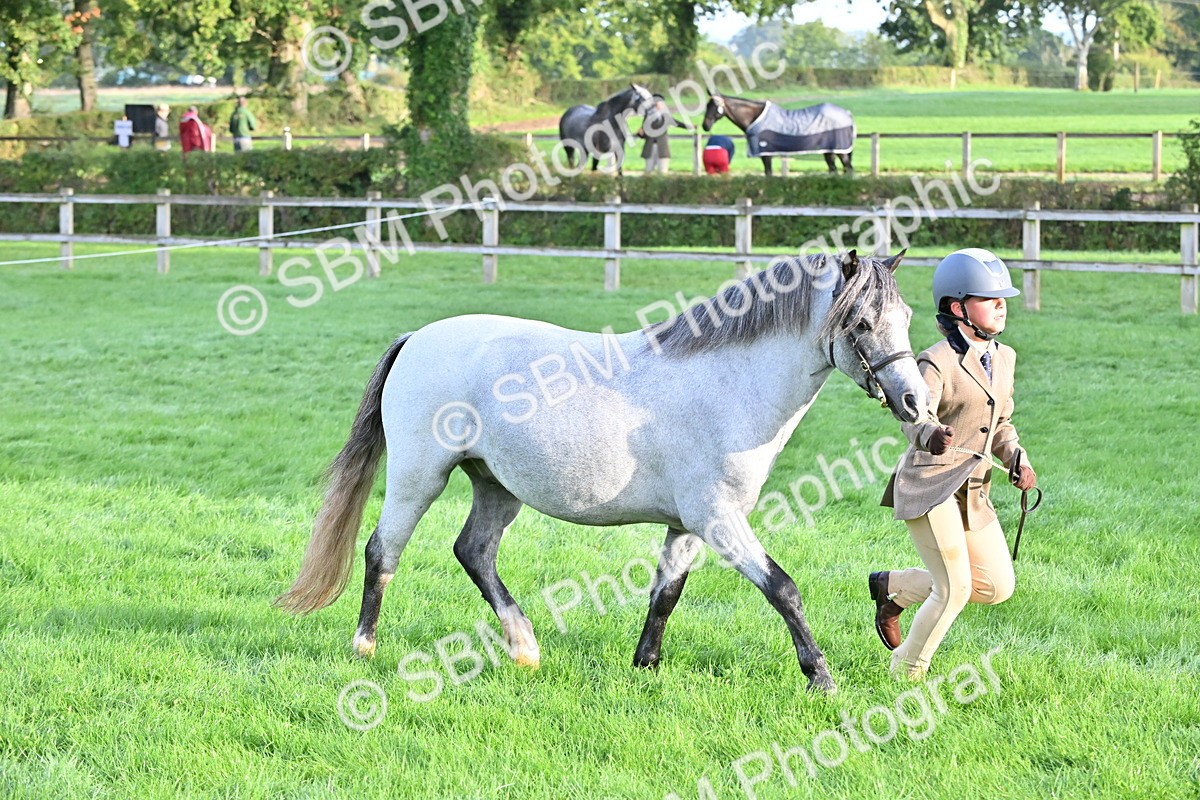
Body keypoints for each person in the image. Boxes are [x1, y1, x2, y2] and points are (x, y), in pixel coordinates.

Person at [874, 248, 1037, 680]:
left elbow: (1001, 421)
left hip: (973, 493)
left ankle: (893, 587)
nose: (1002, 305)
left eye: (1004, 297)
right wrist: (928, 432)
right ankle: (905, 672)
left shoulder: (1006, 358)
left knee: (995, 586)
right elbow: (913, 412)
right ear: (956, 307)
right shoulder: (935, 361)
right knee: (954, 588)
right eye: (990, 298)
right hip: (930, 487)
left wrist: (1016, 456)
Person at [636, 95, 673, 175]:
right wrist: (640, 134)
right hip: (650, 146)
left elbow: (677, 123)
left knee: (663, 171)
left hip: (662, 148)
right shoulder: (648, 116)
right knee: (648, 171)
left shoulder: (665, 116)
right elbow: (645, 133)